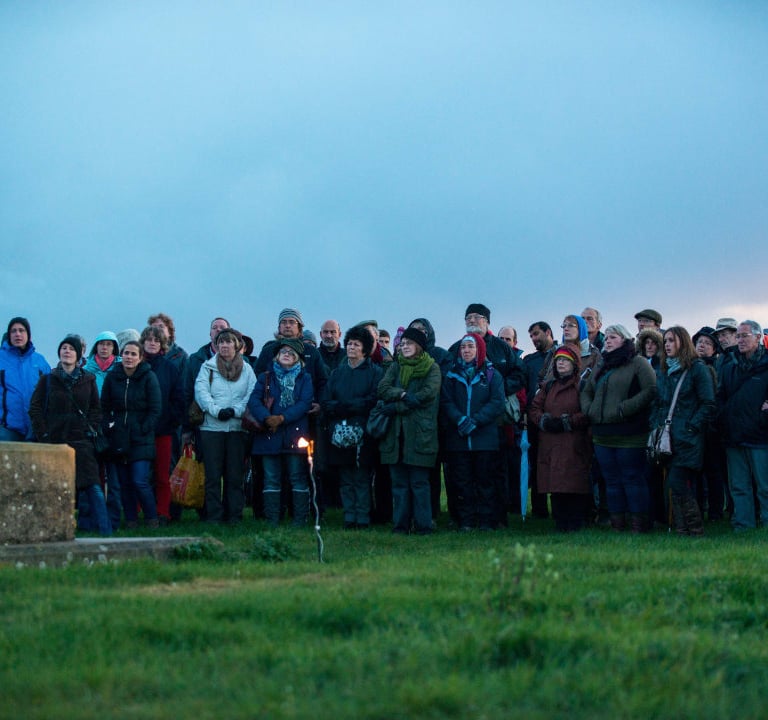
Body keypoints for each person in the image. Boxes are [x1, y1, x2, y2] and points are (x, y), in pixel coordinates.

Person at [29, 335, 111, 535]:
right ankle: (53, 529)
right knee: (55, 486)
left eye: (71, 349)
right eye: (64, 348)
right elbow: (35, 408)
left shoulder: (88, 379)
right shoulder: (48, 379)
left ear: (79, 355)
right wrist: (44, 435)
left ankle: (105, 530)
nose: (67, 351)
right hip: (55, 441)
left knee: (92, 486)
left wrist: (90, 428)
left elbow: (96, 408)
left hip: (81, 440)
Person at [580, 324, 657, 532]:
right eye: (606, 338)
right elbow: (587, 390)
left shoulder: (638, 362)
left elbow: (650, 390)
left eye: (613, 337)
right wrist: (590, 410)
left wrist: (624, 409)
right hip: (602, 434)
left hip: (630, 433)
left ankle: (639, 525)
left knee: (632, 478)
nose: (608, 341)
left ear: (625, 339)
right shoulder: (602, 364)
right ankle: (618, 525)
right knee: (611, 480)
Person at [650, 326, 716, 536]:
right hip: (668, 437)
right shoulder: (664, 371)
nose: (667, 345)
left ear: (683, 342)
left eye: (672, 340)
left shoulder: (697, 369)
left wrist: (691, 427)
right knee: (674, 484)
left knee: (678, 482)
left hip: (688, 438)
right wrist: (656, 425)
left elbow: (708, 403)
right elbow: (658, 403)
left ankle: (695, 529)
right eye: (665, 341)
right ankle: (682, 530)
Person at [377, 327, 442, 535]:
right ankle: (400, 525)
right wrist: (403, 394)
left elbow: (425, 397)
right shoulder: (396, 366)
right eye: (402, 343)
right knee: (399, 484)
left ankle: (424, 526)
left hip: (420, 434)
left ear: (419, 346)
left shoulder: (432, 368)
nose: (404, 346)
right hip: (396, 435)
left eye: (409, 343)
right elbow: (383, 389)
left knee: (419, 483)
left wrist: (396, 406)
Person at [441, 333, 505, 530]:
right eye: (463, 347)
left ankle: (486, 521)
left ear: (480, 350)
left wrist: (476, 420)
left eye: (470, 347)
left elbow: (497, 402)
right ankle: (466, 521)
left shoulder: (492, 374)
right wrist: (460, 419)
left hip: (484, 439)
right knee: (462, 482)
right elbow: (446, 401)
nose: (466, 351)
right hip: (459, 438)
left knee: (485, 482)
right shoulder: (451, 375)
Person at [321, 325, 383, 529]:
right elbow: (326, 401)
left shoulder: (375, 372)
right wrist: (342, 409)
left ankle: (363, 517)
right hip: (339, 432)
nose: (351, 347)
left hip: (364, 433)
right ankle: (349, 516)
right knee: (346, 477)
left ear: (365, 349)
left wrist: (346, 406)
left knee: (361, 477)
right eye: (349, 344)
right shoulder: (337, 373)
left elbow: (374, 400)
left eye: (356, 344)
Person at [249, 338, 313, 527]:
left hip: (295, 434)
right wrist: (267, 418)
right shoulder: (265, 377)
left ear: (298, 358)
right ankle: (272, 520)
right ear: (277, 356)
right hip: (269, 434)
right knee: (271, 478)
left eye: (291, 352)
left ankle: (300, 519)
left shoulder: (305, 378)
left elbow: (305, 403)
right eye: (283, 351)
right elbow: (254, 401)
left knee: (297, 477)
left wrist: (282, 418)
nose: (287, 354)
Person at [195, 328, 256, 524]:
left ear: (237, 346)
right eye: (221, 342)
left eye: (229, 342)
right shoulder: (207, 367)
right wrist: (217, 411)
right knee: (213, 476)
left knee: (234, 476)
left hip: (237, 429)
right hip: (211, 428)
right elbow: (201, 392)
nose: (224, 346)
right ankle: (213, 516)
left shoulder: (247, 369)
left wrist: (236, 411)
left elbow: (251, 394)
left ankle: (234, 516)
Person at [528, 345, 591, 532]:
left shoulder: (582, 385)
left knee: (573, 482)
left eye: (565, 360)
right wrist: (544, 421)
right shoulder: (548, 386)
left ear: (574, 364)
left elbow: (587, 411)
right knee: (555, 482)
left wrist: (568, 422)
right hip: (551, 442)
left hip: (574, 442)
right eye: (558, 360)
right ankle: (560, 522)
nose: (561, 363)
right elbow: (534, 408)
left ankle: (576, 522)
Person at [101, 340, 162, 529]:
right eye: (126, 353)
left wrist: (144, 428)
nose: (129, 357)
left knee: (139, 480)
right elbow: (104, 407)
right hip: (119, 437)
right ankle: (131, 520)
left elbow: (155, 409)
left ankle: (152, 518)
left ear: (140, 357)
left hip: (141, 438)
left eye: (133, 354)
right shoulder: (112, 377)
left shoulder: (149, 377)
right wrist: (109, 427)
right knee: (125, 483)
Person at [717, 320, 768, 531]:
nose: (740, 340)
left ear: (758, 337)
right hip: (734, 435)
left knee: (765, 486)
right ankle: (743, 525)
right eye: (738, 336)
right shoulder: (730, 367)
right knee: (739, 485)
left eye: (744, 335)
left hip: (761, 435)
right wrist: (724, 418)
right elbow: (720, 396)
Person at [141, 326, 185, 525]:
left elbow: (178, 399)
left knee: (162, 474)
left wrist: (170, 421)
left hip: (163, 430)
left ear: (162, 345)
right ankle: (138, 513)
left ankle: (163, 513)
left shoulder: (170, 368)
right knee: (140, 475)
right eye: (149, 339)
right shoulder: (136, 366)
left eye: (156, 340)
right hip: (140, 431)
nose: (152, 343)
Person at [83, 330, 123, 530]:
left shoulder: (121, 368)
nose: (105, 347)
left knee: (114, 478)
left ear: (114, 347)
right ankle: (90, 520)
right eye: (101, 344)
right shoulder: (86, 369)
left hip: (114, 428)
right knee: (91, 476)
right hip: (92, 428)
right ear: (96, 347)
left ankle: (113, 520)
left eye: (109, 344)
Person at [522, 321, 557, 519]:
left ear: (548, 332)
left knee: (557, 462)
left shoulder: (562, 354)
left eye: (536, 334)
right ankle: (539, 509)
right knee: (536, 463)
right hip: (534, 419)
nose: (534, 339)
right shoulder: (529, 361)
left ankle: (560, 507)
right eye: (531, 336)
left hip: (556, 417)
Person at [0, 317, 51, 441]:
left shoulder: (40, 361)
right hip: (6, 429)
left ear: (28, 335)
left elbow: (50, 393)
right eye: (13, 331)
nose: (18, 334)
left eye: (21, 330)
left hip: (35, 430)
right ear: (9, 335)